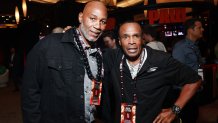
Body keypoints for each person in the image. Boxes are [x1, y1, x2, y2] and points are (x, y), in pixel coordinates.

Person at [21, 1, 107, 123]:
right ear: (80, 17)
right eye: (92, 18)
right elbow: (30, 92)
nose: (98, 26)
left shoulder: (100, 54)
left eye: (103, 22)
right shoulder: (49, 45)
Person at [102, 21, 202, 123]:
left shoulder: (160, 60)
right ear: (119, 41)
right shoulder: (113, 59)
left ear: (142, 39)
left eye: (136, 36)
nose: (131, 41)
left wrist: (174, 110)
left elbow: (195, 80)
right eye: (125, 37)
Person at [172, 18, 204, 123]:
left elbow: (196, 66)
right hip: (185, 90)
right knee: (186, 118)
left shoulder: (195, 46)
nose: (202, 29)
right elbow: (177, 71)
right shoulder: (180, 47)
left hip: (195, 89)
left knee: (193, 116)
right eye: (199, 28)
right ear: (190, 30)